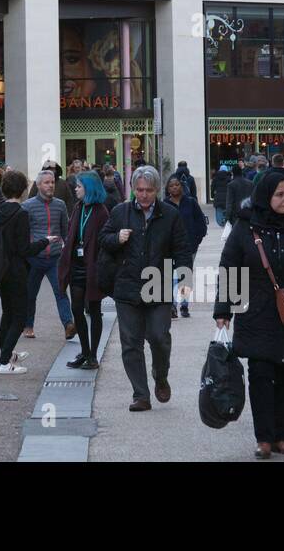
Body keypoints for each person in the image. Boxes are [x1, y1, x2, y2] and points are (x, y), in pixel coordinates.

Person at [214, 170, 284, 458]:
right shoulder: (246, 226)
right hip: (258, 314)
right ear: (266, 195)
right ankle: (264, 438)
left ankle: (283, 435)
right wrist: (224, 309)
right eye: (279, 194)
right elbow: (230, 268)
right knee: (261, 375)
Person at [97, 165, 190, 410]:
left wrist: (184, 278)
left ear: (157, 190)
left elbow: (182, 248)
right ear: (133, 189)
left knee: (159, 338)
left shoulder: (170, 214)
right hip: (127, 287)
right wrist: (117, 238)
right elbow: (103, 240)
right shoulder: (120, 212)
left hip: (157, 285)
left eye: (149, 190)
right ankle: (141, 394)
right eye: (139, 190)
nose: (144, 195)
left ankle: (160, 376)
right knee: (130, 343)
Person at [0, 170, 60, 374]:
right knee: (20, 316)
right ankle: (4, 362)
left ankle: (6, 353)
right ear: (22, 190)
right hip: (15, 270)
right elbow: (24, 249)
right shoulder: (20, 213)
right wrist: (44, 241)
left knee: (8, 312)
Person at [57, 172, 110, 369]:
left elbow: (104, 241)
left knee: (94, 310)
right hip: (76, 266)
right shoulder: (78, 208)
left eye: (79, 186)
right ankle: (85, 351)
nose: (75, 189)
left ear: (89, 188)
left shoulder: (101, 211)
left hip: (92, 267)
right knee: (77, 309)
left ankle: (93, 356)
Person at [21, 170, 74, 340]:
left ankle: (68, 325)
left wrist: (68, 252)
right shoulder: (27, 206)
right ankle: (28, 325)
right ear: (38, 185)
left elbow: (66, 231)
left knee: (61, 292)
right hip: (34, 258)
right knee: (30, 294)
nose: (51, 185)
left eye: (52, 182)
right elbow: (22, 233)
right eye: (46, 182)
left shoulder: (60, 205)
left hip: (55, 258)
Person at [164, 175, 208, 318]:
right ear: (168, 189)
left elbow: (201, 222)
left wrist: (196, 240)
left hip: (189, 246)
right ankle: (171, 305)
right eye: (171, 185)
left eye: (177, 185)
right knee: (170, 276)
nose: (175, 187)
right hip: (169, 247)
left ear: (182, 187)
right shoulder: (164, 205)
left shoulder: (190, 202)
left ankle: (184, 305)